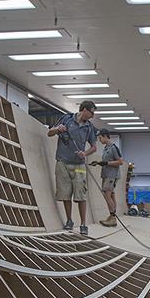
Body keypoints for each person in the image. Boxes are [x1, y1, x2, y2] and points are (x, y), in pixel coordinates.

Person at [47, 100, 97, 235]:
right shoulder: (67, 119)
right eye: (91, 113)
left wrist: (84, 153)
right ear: (84, 110)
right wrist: (58, 129)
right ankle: (69, 221)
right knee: (65, 193)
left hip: (79, 165)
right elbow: (50, 132)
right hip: (62, 162)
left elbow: (94, 147)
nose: (92, 116)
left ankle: (83, 224)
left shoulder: (89, 127)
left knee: (81, 194)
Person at [90, 129, 124, 227]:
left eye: (100, 138)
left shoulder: (114, 148)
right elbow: (107, 161)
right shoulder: (106, 148)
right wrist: (99, 163)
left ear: (105, 136)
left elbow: (120, 162)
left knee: (107, 195)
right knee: (111, 195)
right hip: (106, 174)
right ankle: (111, 216)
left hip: (111, 175)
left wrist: (106, 163)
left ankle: (113, 218)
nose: (99, 140)